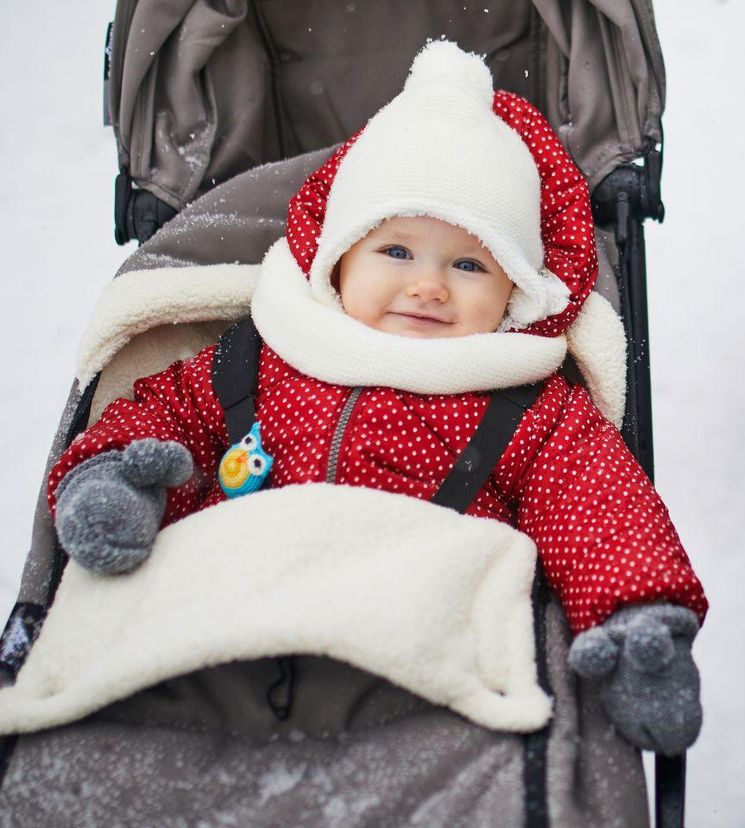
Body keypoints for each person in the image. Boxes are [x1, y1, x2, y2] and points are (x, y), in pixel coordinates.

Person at [46, 41, 707, 762]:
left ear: (515, 288)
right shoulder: (262, 356)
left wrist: (637, 614)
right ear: (337, 258)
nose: (428, 285)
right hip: (222, 623)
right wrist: (115, 475)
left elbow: (597, 505)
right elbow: (163, 410)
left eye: (468, 263)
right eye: (396, 252)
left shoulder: (527, 405)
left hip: (420, 656)